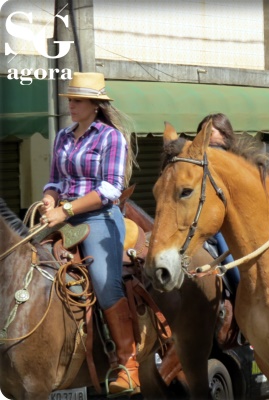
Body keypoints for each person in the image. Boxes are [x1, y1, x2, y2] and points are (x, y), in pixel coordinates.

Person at [40, 72, 140, 395]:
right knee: (28, 263)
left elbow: (111, 189)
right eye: (70, 99)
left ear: (96, 105)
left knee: (103, 280)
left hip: (99, 217)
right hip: (63, 217)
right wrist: (49, 199)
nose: (71, 105)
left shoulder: (111, 138)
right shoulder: (63, 136)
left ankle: (128, 365)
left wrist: (66, 209)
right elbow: (55, 180)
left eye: (78, 100)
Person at [197, 113, 240, 293]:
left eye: (210, 131)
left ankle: (240, 289)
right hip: (198, 219)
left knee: (227, 252)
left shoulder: (233, 161)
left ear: (224, 133)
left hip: (223, 222)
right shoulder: (196, 160)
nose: (205, 135)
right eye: (202, 132)